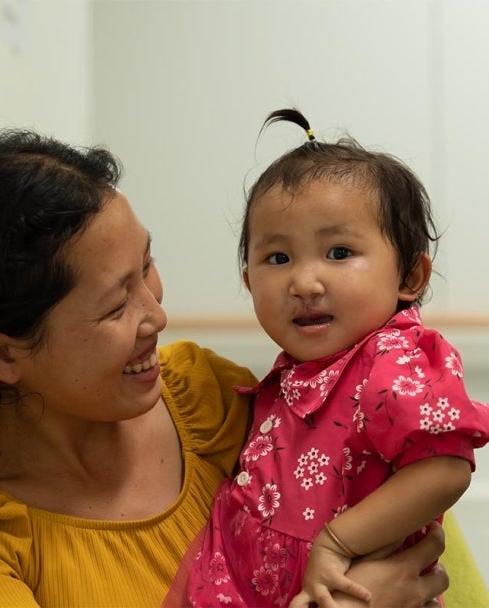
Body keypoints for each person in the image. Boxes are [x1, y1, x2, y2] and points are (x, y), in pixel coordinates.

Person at [0, 127, 467, 607]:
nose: (157, 314)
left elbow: (404, 499)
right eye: (115, 304)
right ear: (1, 354)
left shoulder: (205, 396)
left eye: (147, 268)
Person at [171, 109, 489, 608]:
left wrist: (340, 540)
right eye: (278, 258)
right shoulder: (296, 372)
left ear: (410, 277)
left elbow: (445, 468)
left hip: (354, 588)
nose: (304, 283)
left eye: (339, 253)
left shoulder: (393, 357)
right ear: (249, 281)